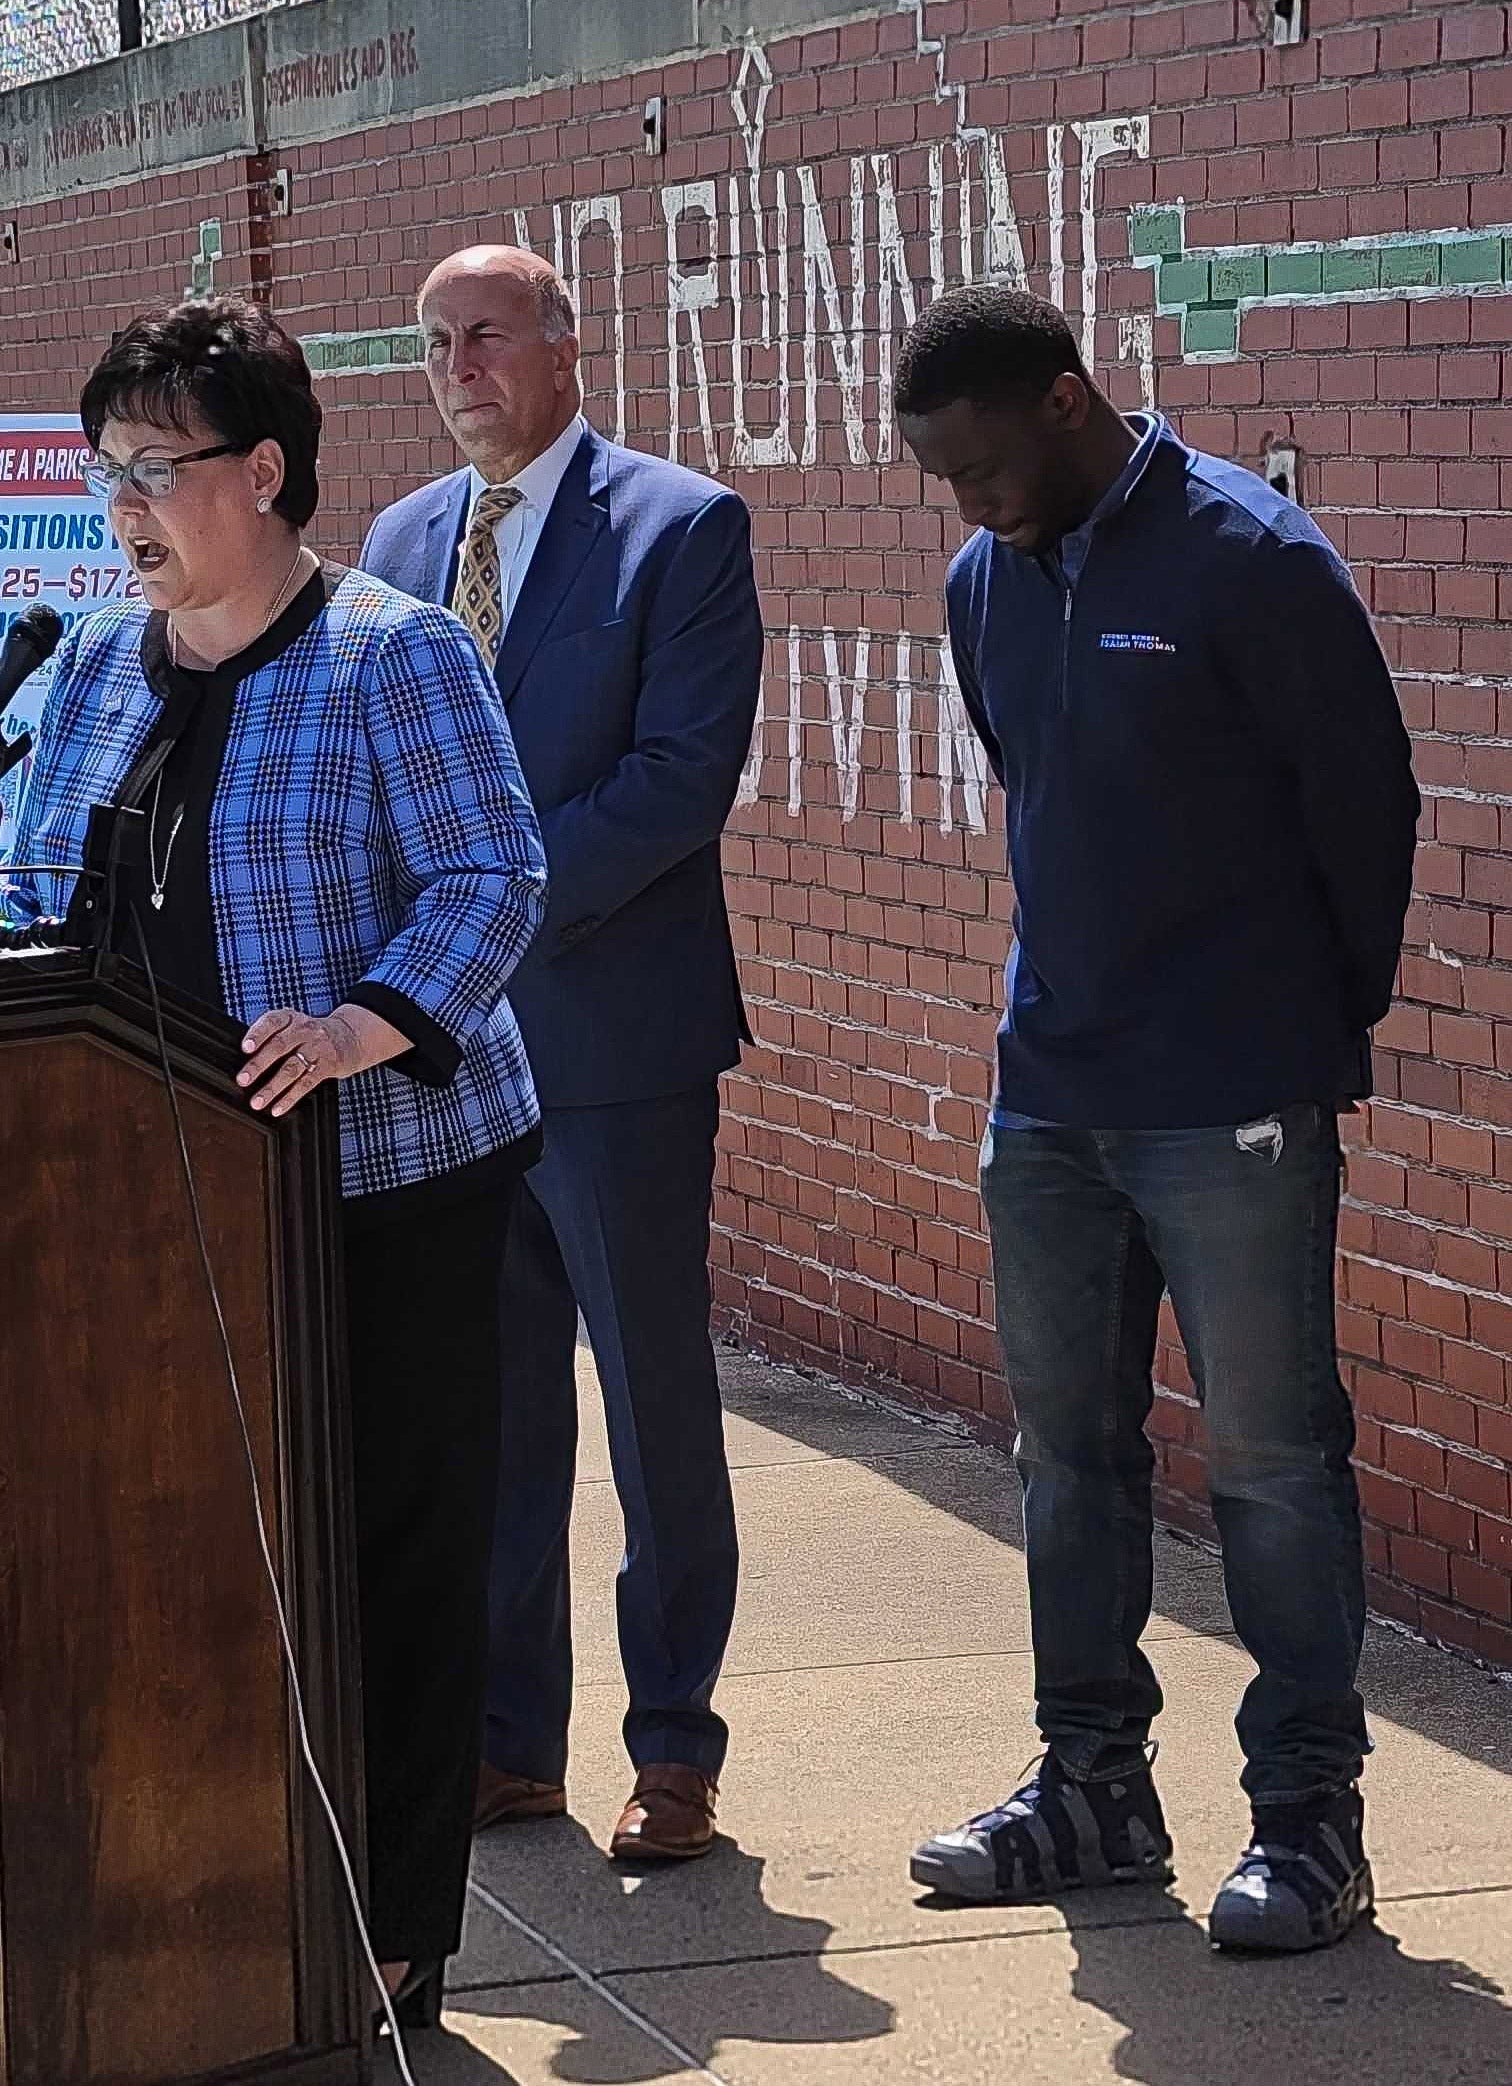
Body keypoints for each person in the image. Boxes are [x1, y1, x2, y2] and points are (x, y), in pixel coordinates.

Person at [0, 296, 545, 2028]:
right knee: (183, 1544)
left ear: (268, 472)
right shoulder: (91, 662)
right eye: (107, 475)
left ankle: (392, 1921)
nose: (126, 509)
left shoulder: (393, 652)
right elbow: (27, 888)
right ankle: (216, 1875)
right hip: (150, 1197)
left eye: (157, 470)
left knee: (387, 1541)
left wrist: (358, 1023)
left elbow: (495, 877)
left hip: (387, 1185)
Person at [891, 286, 1418, 1952]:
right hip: (1050, 1097)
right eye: (943, 485)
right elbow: (1032, 790)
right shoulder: (990, 575)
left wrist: (1298, 1030)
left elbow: (1368, 812)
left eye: (983, 468)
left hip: (1231, 1098)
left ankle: (1312, 1822)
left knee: (1268, 1464)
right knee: (1068, 1458)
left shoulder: (1251, 561)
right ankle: (1094, 1789)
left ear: (1066, 401)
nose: (969, 510)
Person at [361, 245, 762, 1864]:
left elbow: (678, 780)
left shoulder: (682, 526)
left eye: (489, 335)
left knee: (655, 1406)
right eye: (436, 341)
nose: (461, 364)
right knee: (499, 1412)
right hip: (449, 1063)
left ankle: (673, 1745)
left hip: (615, 1048)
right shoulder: (393, 543)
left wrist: (485, 912)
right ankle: (509, 1740)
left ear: (568, 344)